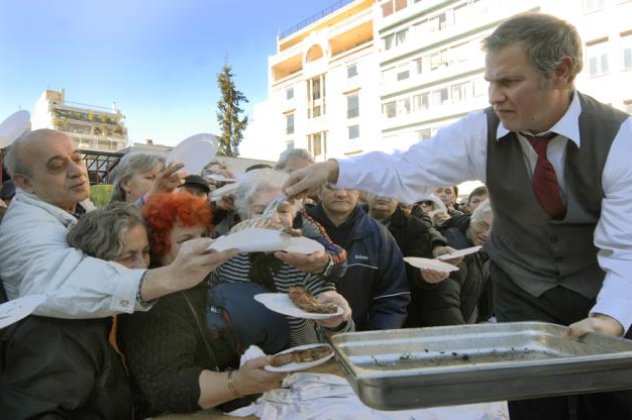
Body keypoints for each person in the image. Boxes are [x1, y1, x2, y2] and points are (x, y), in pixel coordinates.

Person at [284, 12, 632, 420]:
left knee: (613, 396)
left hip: (608, 289)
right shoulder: (479, 131)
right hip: (522, 288)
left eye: (508, 82)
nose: (494, 97)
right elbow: (405, 169)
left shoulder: (619, 138)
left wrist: (611, 318)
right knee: (534, 403)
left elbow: (627, 250)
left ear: (561, 72)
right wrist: (335, 169)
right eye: (490, 82)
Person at [0, 129, 237, 318]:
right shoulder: (23, 227)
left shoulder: (70, 202)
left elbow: (109, 228)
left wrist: (152, 196)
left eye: (76, 158)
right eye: (57, 166)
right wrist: (171, 276)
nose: (77, 171)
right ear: (24, 182)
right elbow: (61, 283)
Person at [117, 192, 286, 418]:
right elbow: (167, 388)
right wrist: (238, 382)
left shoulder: (204, 279)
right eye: (185, 240)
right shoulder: (154, 304)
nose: (200, 245)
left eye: (202, 235)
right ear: (158, 245)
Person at [0, 203, 148, 419]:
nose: (143, 266)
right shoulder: (57, 334)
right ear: (96, 264)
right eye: (128, 257)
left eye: (146, 252)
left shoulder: (119, 312)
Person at [307, 183, 410, 330]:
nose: (342, 193)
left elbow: (392, 296)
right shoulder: (298, 229)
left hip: (356, 335)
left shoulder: (379, 236)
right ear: (319, 191)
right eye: (332, 187)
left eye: (349, 187)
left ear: (359, 192)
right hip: (300, 339)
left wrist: (375, 340)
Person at [418, 200, 494, 326]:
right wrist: (463, 339)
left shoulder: (487, 250)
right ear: (472, 220)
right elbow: (442, 305)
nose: (486, 234)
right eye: (482, 225)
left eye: (494, 229)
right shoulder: (454, 249)